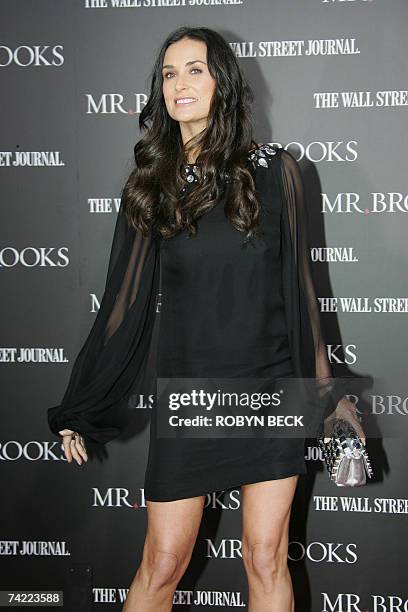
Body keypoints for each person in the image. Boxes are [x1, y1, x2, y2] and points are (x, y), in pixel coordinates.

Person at [47, 26, 366, 612]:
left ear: (223, 82)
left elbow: (302, 294)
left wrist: (328, 396)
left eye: (195, 69)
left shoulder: (278, 171)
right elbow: (123, 304)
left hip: (269, 390)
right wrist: (84, 408)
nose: (180, 84)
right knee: (163, 562)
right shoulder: (151, 185)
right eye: (169, 74)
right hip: (190, 395)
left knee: (265, 556)